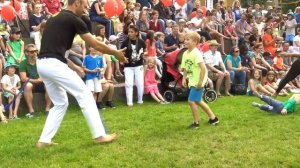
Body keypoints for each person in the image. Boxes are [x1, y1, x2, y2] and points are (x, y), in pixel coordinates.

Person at [36, 0, 127, 147]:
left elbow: (60, 51)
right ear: (77, 3)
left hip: (43, 64)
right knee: (84, 93)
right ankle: (100, 135)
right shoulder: (73, 18)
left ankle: (44, 141)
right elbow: (95, 44)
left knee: (60, 103)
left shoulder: (55, 18)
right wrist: (115, 52)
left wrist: (75, 67)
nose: (87, 8)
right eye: (85, 4)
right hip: (53, 64)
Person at [181, 32, 219, 129]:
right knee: (198, 101)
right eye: (185, 39)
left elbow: (203, 69)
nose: (185, 41)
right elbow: (185, 67)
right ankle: (213, 118)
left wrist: (200, 82)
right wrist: (184, 78)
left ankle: (196, 123)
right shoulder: (185, 53)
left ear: (195, 42)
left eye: (188, 39)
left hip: (198, 80)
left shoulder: (196, 53)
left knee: (191, 101)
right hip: (192, 80)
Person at [19, 44, 52, 118]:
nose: (34, 53)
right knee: (27, 86)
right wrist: (35, 80)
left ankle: (47, 109)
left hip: (42, 82)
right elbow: (23, 78)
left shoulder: (41, 62)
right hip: (31, 83)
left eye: (36, 51)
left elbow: (48, 73)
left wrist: (42, 79)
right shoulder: (23, 63)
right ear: (26, 53)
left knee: (49, 85)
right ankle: (31, 111)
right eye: (32, 52)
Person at [121, 25, 146, 106]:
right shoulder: (125, 42)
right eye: (129, 32)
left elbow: (146, 51)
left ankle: (140, 100)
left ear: (136, 33)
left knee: (140, 83)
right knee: (129, 84)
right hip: (128, 66)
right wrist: (123, 59)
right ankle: (129, 102)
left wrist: (143, 54)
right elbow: (121, 53)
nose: (129, 33)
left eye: (131, 32)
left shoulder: (141, 42)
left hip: (139, 65)